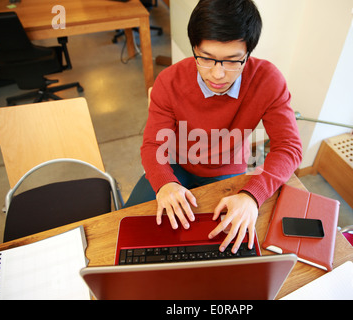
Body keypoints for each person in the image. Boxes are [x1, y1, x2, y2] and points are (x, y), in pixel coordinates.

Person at [124, 0, 302, 254]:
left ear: (248, 53)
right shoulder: (169, 82)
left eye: (232, 61)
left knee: (227, 245)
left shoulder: (268, 80)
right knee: (132, 227)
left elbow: (289, 147)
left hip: (228, 168)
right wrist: (165, 183)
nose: (218, 75)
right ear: (194, 47)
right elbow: (153, 144)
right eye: (206, 59)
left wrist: (252, 196)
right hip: (176, 163)